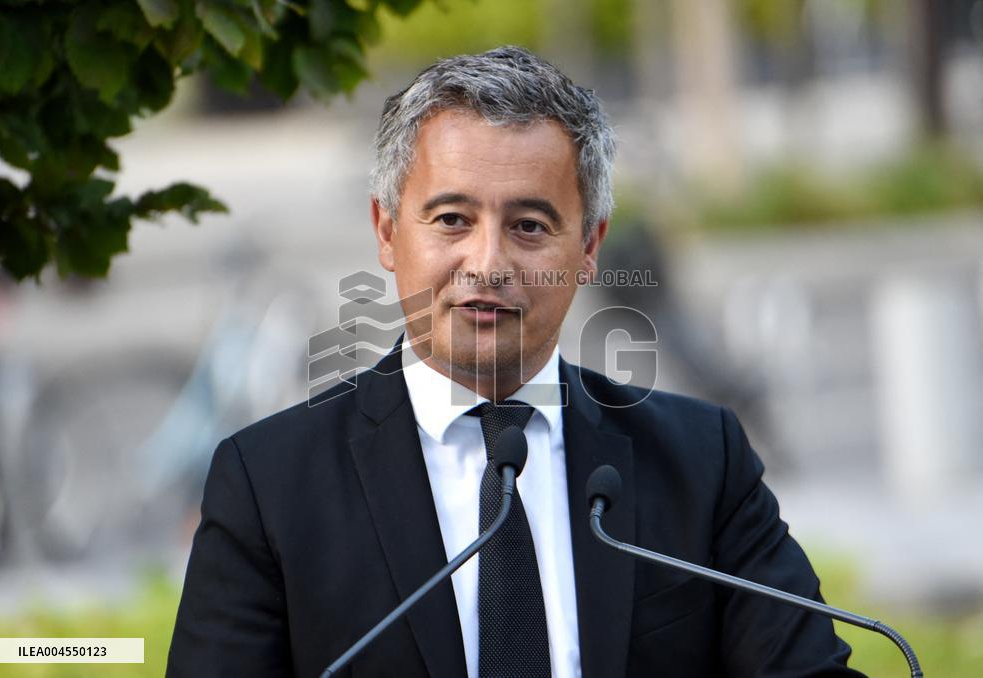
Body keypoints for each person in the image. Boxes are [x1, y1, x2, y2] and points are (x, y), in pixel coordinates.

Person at [167, 46, 862, 677]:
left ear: (590, 246)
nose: (489, 264)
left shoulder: (702, 462)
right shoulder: (268, 485)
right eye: (452, 221)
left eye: (529, 226)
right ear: (385, 230)